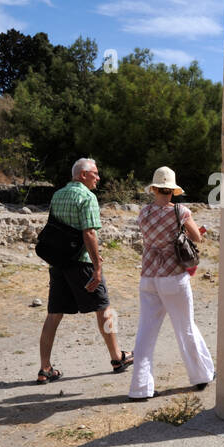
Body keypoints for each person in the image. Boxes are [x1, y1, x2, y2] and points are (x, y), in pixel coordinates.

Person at [36, 157, 133, 383]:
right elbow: (88, 233)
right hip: (81, 262)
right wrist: (97, 267)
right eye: (95, 174)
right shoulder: (87, 197)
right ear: (83, 175)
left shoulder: (57, 194)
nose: (98, 177)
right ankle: (117, 357)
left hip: (59, 262)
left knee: (53, 314)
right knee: (104, 308)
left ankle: (45, 368)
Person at [128, 166, 214, 401]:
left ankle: (139, 388)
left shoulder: (143, 212)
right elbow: (196, 237)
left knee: (145, 333)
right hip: (173, 276)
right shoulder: (180, 211)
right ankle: (200, 375)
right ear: (174, 190)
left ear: (154, 188)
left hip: (148, 276)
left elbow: (150, 236)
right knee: (185, 327)